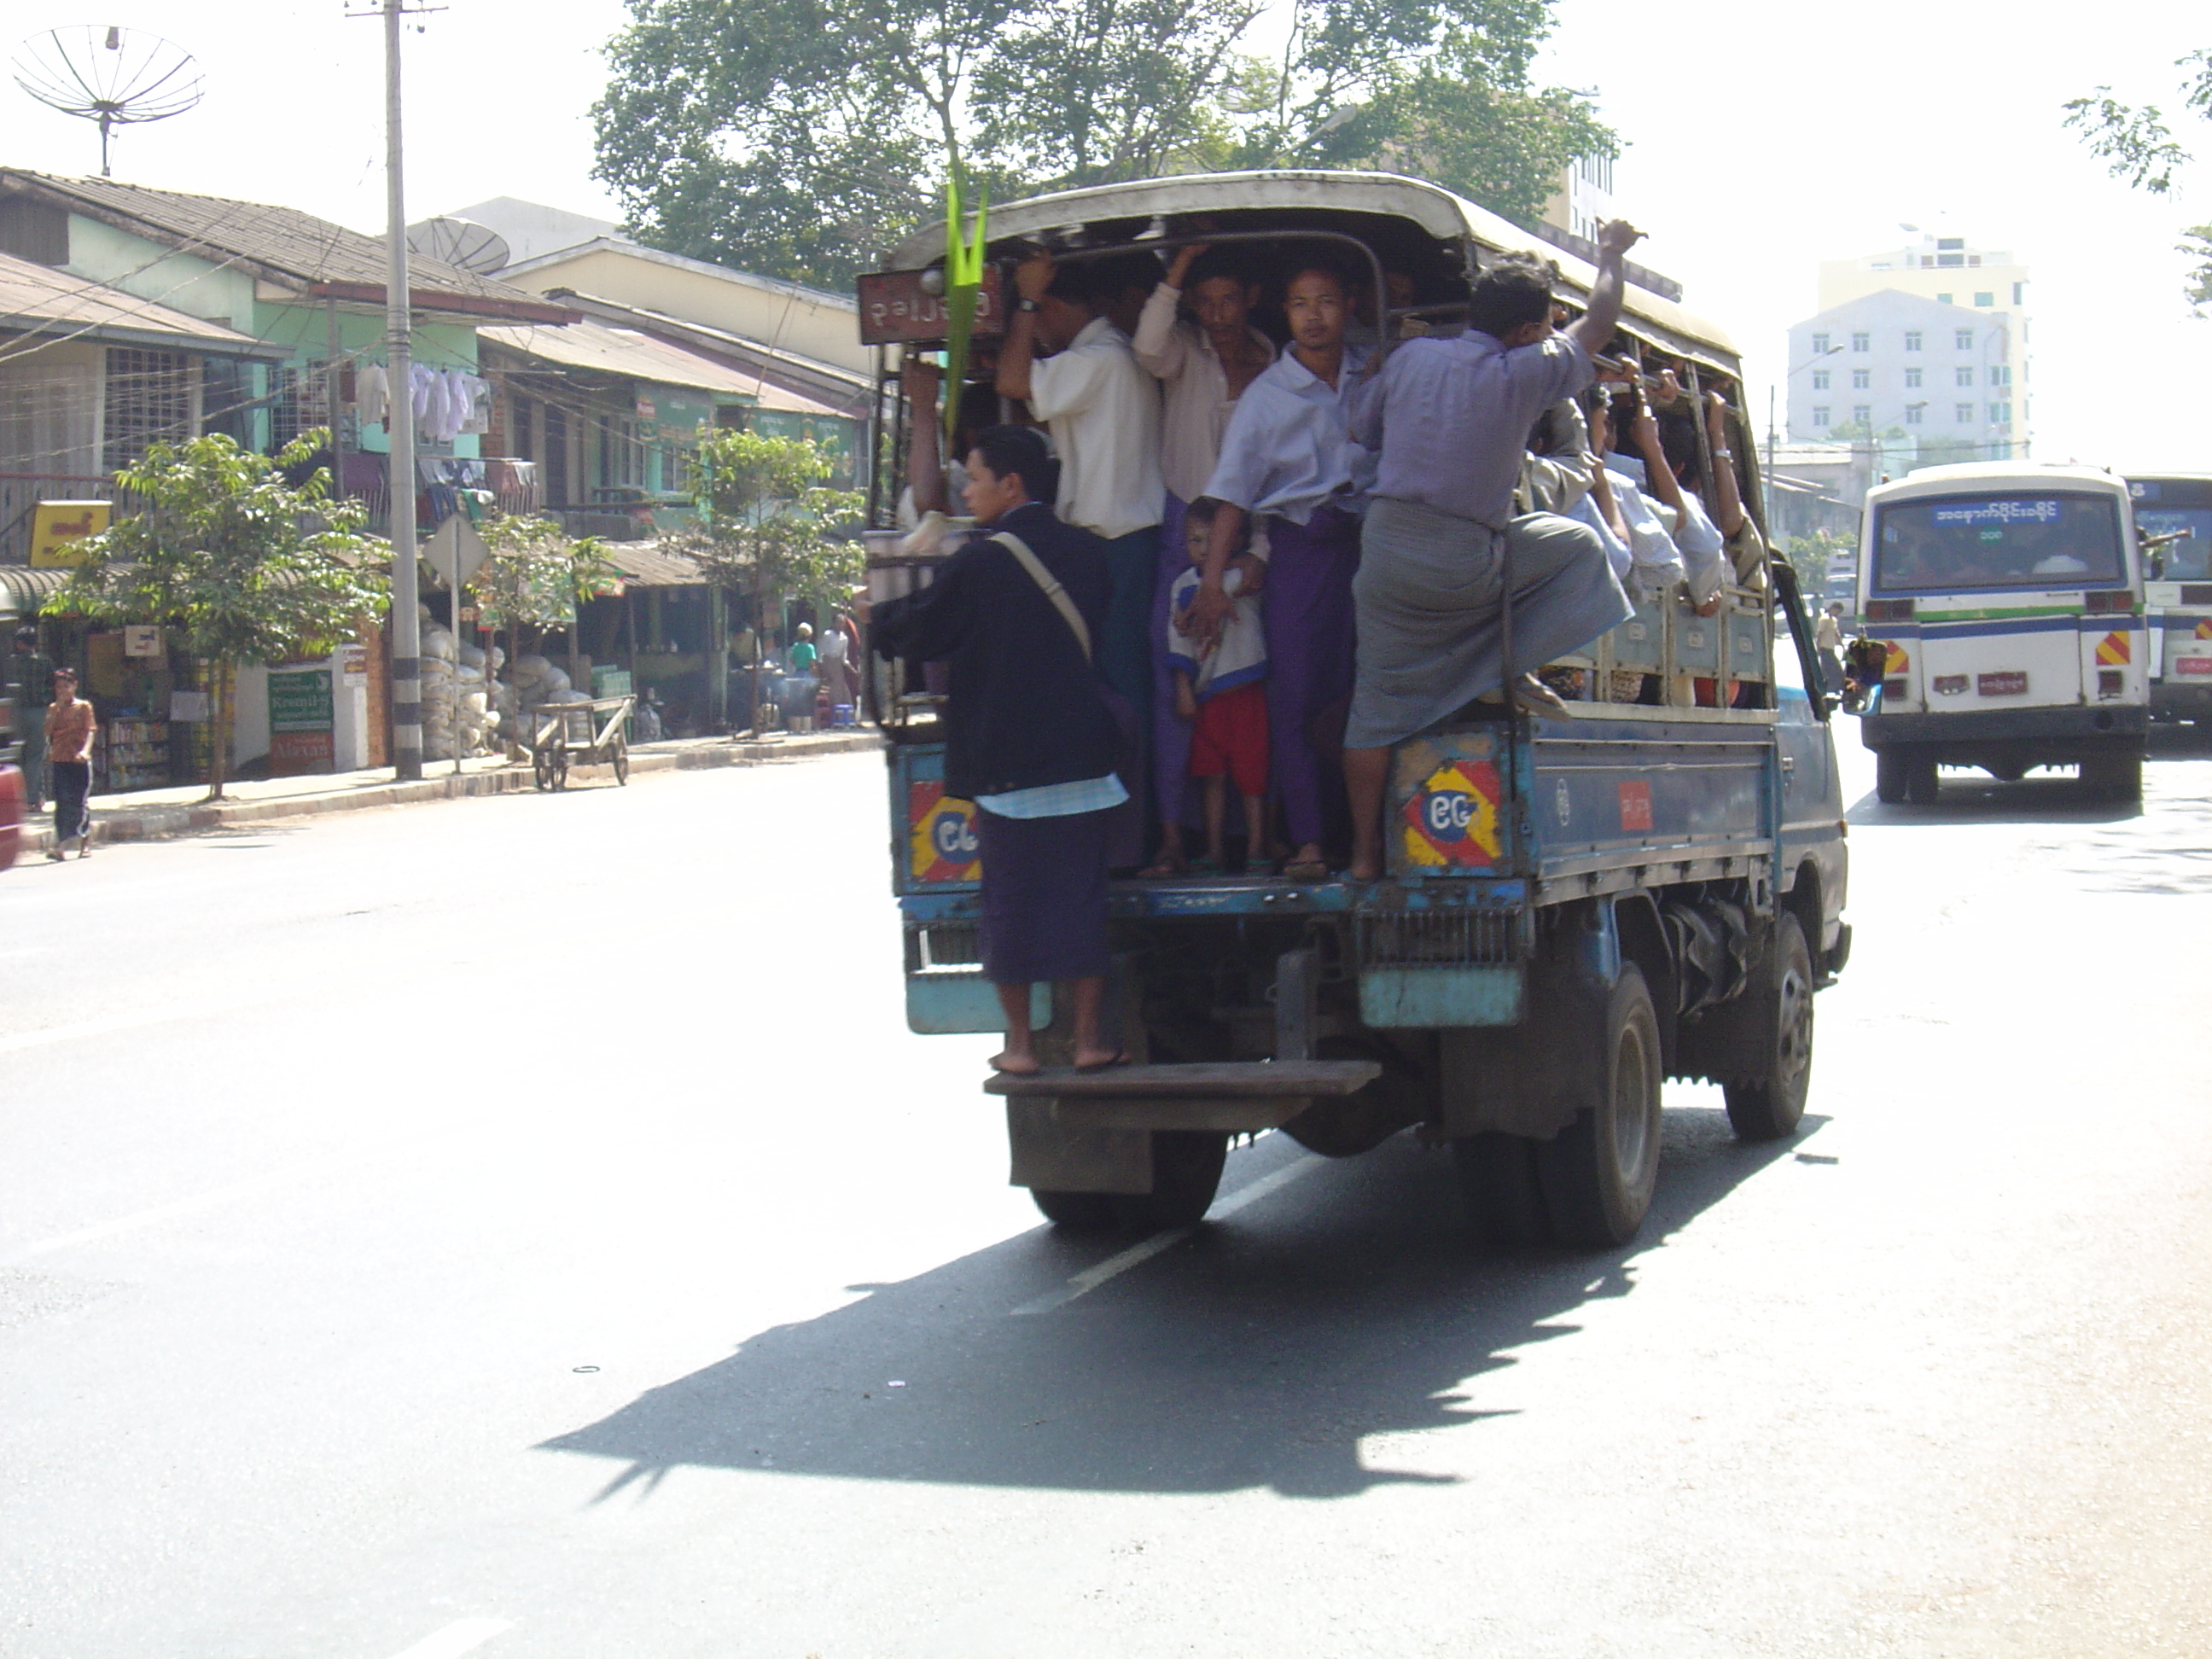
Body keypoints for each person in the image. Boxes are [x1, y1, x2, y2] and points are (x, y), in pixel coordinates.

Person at [1341, 224, 1644, 881]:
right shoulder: (1524, 372)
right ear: (1532, 330)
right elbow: (1602, 317)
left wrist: (1378, 367)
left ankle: (1364, 858)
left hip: (1387, 549)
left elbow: (1359, 428)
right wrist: (1611, 255)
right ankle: (1507, 665)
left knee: (1371, 712)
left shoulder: (1411, 359)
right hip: (1465, 560)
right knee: (1582, 547)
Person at [867, 426, 1126, 1074]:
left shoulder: (980, 563)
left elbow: (921, 629)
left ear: (1011, 485)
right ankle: (1091, 1040)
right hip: (1083, 764)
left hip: (1008, 769)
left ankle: (1021, 1046)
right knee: (1082, 903)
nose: (966, 490)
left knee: (1012, 904)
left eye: (974, 478)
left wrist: (875, 617)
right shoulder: (1089, 555)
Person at [1189, 259, 1376, 881]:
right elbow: (1231, 497)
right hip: (1302, 551)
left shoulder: (1373, 368)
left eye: (1326, 300)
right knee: (1296, 699)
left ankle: (1366, 839)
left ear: (1349, 304)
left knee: (1369, 691)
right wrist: (1213, 584)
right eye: (1300, 304)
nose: (1315, 315)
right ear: (1287, 314)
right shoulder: (1267, 397)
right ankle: (1311, 842)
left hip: (1374, 543)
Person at [1132, 243, 1275, 845]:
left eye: (1229, 301)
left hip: (1254, 536)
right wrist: (1178, 268)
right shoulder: (1182, 349)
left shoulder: (1271, 358)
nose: (1217, 315)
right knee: (1177, 686)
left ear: (1251, 301)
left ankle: (1259, 838)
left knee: (1252, 687)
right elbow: (1145, 346)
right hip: (1180, 533)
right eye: (1206, 303)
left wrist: (1257, 551)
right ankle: (1173, 839)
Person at [996, 251, 1165, 744]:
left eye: (1035, 318)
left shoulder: (1102, 358)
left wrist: (1024, 298)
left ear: (1050, 306)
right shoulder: (1110, 356)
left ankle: (1134, 814)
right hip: (1124, 540)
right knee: (1121, 679)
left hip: (1115, 544)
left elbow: (1011, 381)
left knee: (1120, 684)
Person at [1162, 509, 1269, 876]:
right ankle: (1215, 850)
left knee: (1252, 778)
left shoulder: (1243, 577)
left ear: (1235, 542)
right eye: (1195, 541)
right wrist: (1183, 689)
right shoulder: (1181, 584)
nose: (1205, 551)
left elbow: (1210, 595)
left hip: (1245, 690)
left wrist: (1191, 607)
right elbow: (1176, 641)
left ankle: (1256, 848)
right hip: (1208, 694)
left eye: (1214, 541)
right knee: (1212, 777)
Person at [44, 667, 96, 860]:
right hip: (60, 759)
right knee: (62, 802)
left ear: (74, 686)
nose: (62, 691)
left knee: (80, 801)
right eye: (58, 688)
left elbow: (91, 730)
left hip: (79, 760)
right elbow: (47, 731)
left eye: (66, 686)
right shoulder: (53, 708)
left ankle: (84, 843)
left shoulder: (84, 707)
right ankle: (60, 845)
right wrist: (56, 709)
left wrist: (85, 751)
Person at [9, 625, 52, 811]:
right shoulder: (45, 662)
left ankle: (15, 800)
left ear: (19, 644)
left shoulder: (10, 662)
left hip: (14, 714)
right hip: (39, 713)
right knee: (35, 757)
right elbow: (53, 686)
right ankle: (33, 799)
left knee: (16, 756)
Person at [1814, 602, 1846, 695]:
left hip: (1831, 647)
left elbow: (1836, 634)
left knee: (1826, 669)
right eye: (1837, 611)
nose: (1837, 614)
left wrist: (1841, 645)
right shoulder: (1824, 619)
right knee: (1835, 668)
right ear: (1833, 609)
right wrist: (1818, 647)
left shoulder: (1834, 620)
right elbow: (1819, 634)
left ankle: (1826, 688)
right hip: (1824, 648)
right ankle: (1833, 687)